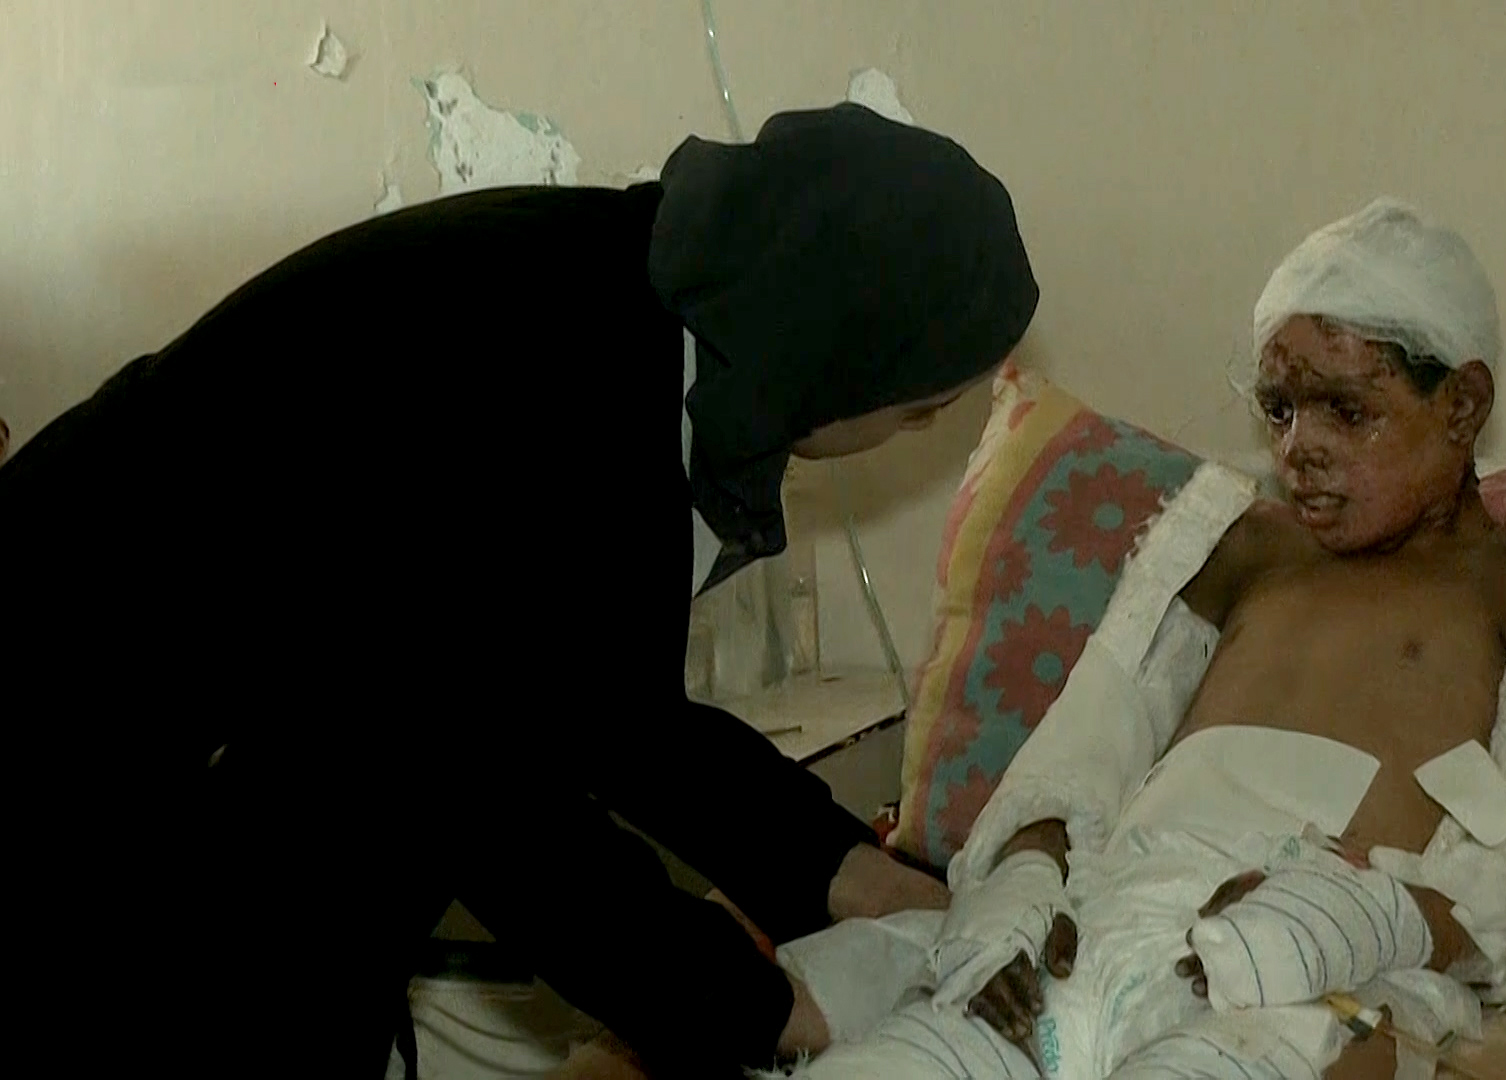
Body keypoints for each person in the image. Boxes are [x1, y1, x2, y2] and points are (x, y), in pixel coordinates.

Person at [0, 103, 1036, 1079]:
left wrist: (855, 874)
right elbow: (491, 798)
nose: (912, 432)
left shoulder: (647, 309)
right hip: (68, 699)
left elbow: (611, 711)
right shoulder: (551, 379)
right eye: (919, 408)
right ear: (843, 359)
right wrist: (768, 1009)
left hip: (245, 692)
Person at [764, 200, 1506, 1079]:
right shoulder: (1233, 542)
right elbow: (1083, 747)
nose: (1299, 448)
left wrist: (1373, 915)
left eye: (1347, 411)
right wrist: (1023, 875)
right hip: (1098, 926)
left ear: (1462, 405)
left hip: (1315, 975)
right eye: (1279, 409)